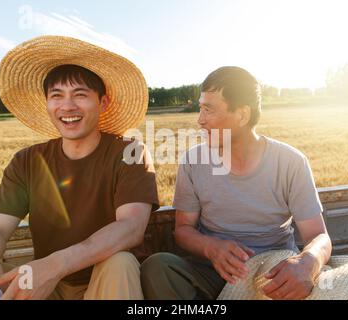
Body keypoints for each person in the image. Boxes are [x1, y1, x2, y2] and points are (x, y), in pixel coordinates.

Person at [0, 36, 159, 300]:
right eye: (57, 95)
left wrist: (54, 265)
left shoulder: (130, 153)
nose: (67, 106)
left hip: (100, 284)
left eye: (80, 95)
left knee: (119, 262)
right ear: (47, 104)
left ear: (103, 103)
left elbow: (130, 227)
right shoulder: (27, 161)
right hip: (43, 286)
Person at [141, 66, 335, 300]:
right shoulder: (193, 162)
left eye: (208, 110)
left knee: (340, 293)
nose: (200, 120)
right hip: (212, 272)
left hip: (274, 275)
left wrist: (308, 262)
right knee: (158, 267)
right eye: (200, 108)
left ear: (242, 115)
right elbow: (183, 230)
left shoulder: (290, 162)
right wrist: (211, 248)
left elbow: (319, 236)